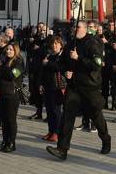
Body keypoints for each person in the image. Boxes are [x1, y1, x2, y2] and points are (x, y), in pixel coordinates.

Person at [46, 21, 111, 161]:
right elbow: (63, 63)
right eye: (74, 27)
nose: (75, 29)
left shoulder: (93, 42)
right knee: (67, 117)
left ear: (85, 29)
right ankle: (62, 149)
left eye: (79, 27)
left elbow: (96, 65)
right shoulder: (71, 43)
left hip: (89, 86)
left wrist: (79, 58)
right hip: (74, 87)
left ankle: (106, 139)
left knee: (96, 116)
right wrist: (65, 70)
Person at [0, 42, 25, 152]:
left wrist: (0, 69)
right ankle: (5, 140)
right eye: (7, 49)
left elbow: (11, 75)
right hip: (2, 93)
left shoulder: (19, 62)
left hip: (12, 95)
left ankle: (11, 142)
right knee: (4, 119)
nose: (8, 51)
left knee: (11, 120)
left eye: (11, 49)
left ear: (15, 51)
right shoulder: (4, 61)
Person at [39, 35, 66, 142]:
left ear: (60, 44)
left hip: (57, 86)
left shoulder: (62, 56)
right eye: (53, 44)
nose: (54, 46)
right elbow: (43, 71)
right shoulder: (49, 55)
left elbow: (60, 68)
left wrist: (48, 63)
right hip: (48, 85)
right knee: (49, 111)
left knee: (56, 111)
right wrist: (40, 83)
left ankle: (56, 132)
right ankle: (50, 131)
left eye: (56, 43)